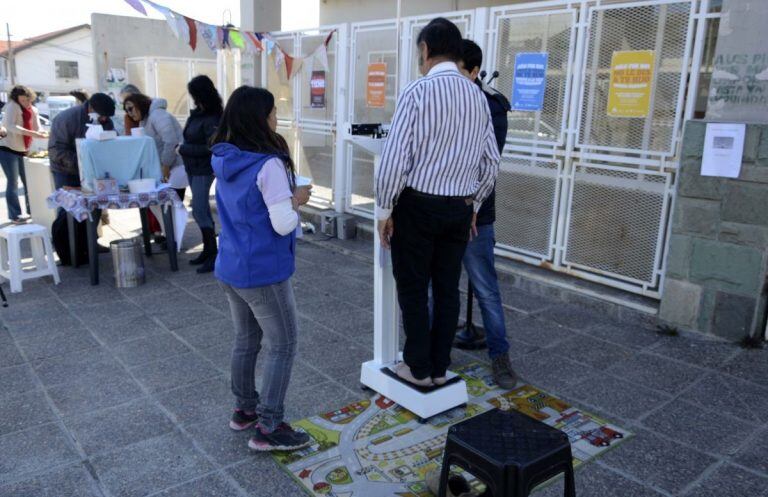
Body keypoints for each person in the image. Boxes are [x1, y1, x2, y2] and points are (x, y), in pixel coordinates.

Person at [375, 18, 500, 387]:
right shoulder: (478, 96)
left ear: (426, 50)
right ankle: (440, 366)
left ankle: (417, 367)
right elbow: (492, 161)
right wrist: (474, 204)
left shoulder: (418, 92)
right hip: (459, 209)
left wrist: (384, 210)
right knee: (447, 289)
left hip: (417, 206)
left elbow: (395, 161)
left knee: (413, 287)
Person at [211, 85, 312, 452]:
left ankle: (244, 410)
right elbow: (283, 222)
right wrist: (296, 199)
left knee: (246, 340)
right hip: (263, 270)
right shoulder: (268, 163)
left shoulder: (224, 156)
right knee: (283, 344)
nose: (276, 118)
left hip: (232, 265)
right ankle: (269, 426)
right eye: (272, 112)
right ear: (259, 118)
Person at [452, 39, 517, 389]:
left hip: (477, 214)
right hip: (443, 212)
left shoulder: (492, 107)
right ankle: (435, 353)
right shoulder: (446, 99)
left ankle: (500, 358)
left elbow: (486, 163)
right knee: (439, 287)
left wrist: (472, 205)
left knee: (486, 290)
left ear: (474, 72)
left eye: (459, 71)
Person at [48, 93, 115, 263]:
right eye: (102, 115)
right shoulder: (66, 118)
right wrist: (82, 164)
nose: (104, 119)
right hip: (66, 170)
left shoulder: (105, 119)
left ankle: (90, 243)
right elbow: (56, 150)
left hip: (92, 171)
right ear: (91, 108)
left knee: (94, 206)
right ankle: (67, 251)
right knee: (68, 209)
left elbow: (110, 143)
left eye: (107, 117)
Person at [123, 93, 187, 249]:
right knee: (159, 205)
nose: (130, 113)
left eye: (131, 108)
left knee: (171, 205)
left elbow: (171, 141)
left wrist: (165, 165)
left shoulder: (157, 114)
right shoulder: (145, 120)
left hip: (178, 166)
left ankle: (174, 240)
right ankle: (171, 238)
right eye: (127, 111)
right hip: (167, 168)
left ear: (139, 104)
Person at [178, 75, 223, 274]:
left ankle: (213, 253)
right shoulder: (198, 114)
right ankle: (208, 250)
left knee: (199, 210)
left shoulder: (212, 117)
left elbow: (212, 148)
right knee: (199, 210)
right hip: (193, 167)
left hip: (204, 168)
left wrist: (183, 150)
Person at [0, 85, 47, 223]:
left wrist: (43, 133)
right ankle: (15, 215)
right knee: (13, 182)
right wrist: (33, 133)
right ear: (17, 99)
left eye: (27, 100)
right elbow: (9, 126)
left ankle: (33, 212)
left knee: (29, 182)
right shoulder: (12, 106)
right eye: (22, 100)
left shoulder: (33, 109)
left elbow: (38, 127)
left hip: (23, 149)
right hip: (7, 148)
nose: (26, 103)